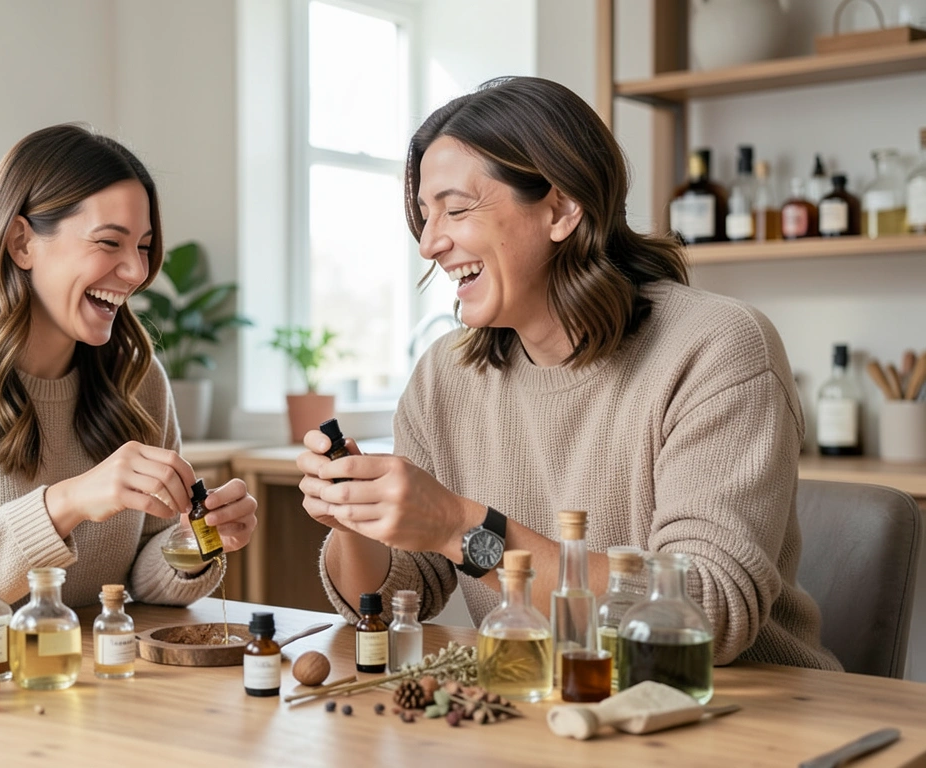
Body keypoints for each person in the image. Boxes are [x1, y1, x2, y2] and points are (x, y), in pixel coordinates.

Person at [297, 77, 839, 670]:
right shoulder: (444, 378)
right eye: (424, 217)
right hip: (539, 700)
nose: (429, 243)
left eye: (454, 209)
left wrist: (459, 526)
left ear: (560, 209)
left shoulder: (717, 347)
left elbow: (704, 610)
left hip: (738, 713)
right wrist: (354, 517)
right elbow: (398, 592)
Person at [0, 124, 257, 613]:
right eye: (110, 243)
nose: (137, 272)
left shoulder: (137, 380)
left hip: (89, 674)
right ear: (21, 242)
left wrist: (194, 543)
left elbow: (142, 576)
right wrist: (69, 502)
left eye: (144, 247)